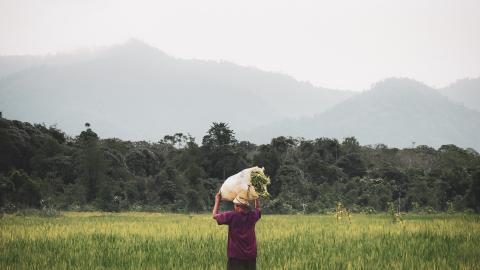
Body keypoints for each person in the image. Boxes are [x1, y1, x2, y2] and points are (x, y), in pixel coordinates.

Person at [212, 192, 261, 270]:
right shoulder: (252, 215)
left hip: (236, 256)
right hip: (251, 256)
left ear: (238, 206)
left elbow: (214, 215)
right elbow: (258, 209)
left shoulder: (231, 216)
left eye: (234, 205)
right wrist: (256, 197)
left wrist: (217, 200)